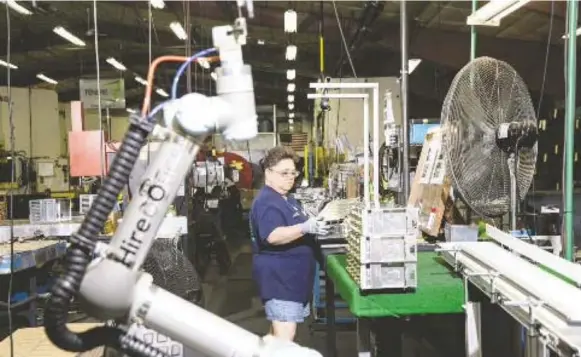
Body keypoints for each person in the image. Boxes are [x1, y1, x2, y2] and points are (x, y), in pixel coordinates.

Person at [250, 146, 328, 341]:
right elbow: (272, 235)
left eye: (293, 172)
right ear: (268, 173)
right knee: (285, 339)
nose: (290, 177)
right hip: (281, 281)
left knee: (276, 337)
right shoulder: (267, 201)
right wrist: (304, 228)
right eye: (284, 173)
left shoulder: (287, 198)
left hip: (292, 281)